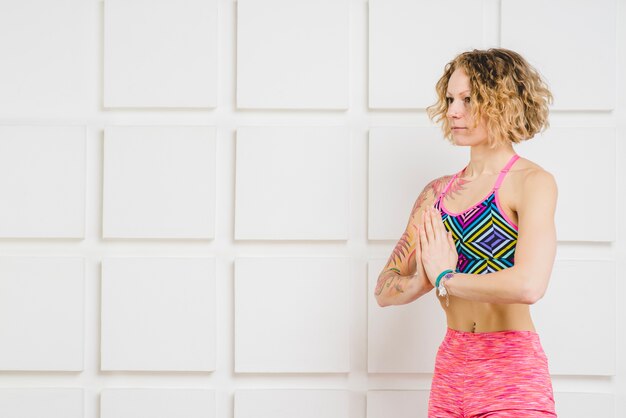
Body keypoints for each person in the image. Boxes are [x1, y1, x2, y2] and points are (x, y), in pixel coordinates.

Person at [374, 48, 558, 417]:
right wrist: (418, 283)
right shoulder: (436, 193)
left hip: (511, 370)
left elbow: (529, 285)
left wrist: (445, 277)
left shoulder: (531, 182)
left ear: (504, 102)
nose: (454, 111)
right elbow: (383, 287)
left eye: (469, 100)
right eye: (451, 99)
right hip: (451, 369)